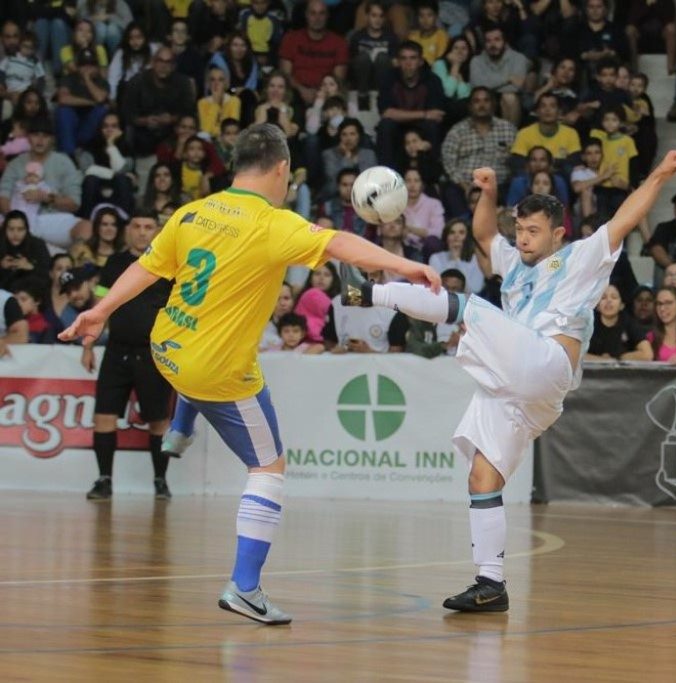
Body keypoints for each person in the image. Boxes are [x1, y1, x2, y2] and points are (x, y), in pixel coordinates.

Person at [59, 123, 440, 625]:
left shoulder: (191, 211)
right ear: (281, 169)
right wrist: (406, 265)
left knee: (229, 352)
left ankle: (180, 427)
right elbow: (342, 244)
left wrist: (101, 310)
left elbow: (148, 269)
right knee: (268, 467)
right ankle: (245, 587)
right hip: (213, 369)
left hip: (167, 346)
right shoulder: (271, 223)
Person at [355, 150, 676, 611]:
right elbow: (483, 233)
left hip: (548, 362)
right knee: (481, 475)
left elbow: (627, 216)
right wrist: (488, 192)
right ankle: (491, 585)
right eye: (521, 230)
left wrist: (661, 173)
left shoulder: (581, 257)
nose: (524, 239)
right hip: (519, 386)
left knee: (469, 307)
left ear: (558, 233)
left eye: (534, 232)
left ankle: (371, 291)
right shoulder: (512, 263)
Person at [82, 210, 175, 501]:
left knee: (159, 421)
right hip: (116, 351)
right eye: (137, 226)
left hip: (154, 354)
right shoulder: (115, 263)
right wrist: (87, 343)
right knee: (103, 417)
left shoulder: (170, 263)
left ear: (158, 230)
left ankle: (160, 481)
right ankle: (104, 479)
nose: (143, 232)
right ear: (128, 231)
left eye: (149, 226)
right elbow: (100, 301)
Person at [0, 119, 89, 250]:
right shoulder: (16, 164)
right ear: (28, 137)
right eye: (36, 135)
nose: (40, 140)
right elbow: (3, 195)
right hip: (17, 220)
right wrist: (15, 222)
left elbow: (74, 203)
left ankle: (71, 263)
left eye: (45, 136)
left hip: (50, 219)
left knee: (86, 227)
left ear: (52, 139)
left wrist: (47, 198)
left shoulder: (64, 162)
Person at [278, 0, 349, 106]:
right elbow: (285, 74)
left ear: (327, 16)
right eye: (313, 13)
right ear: (306, 15)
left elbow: (338, 79)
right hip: (296, 92)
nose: (317, 18)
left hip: (327, 94)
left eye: (321, 13)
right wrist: (302, 90)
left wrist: (320, 93)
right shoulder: (290, 39)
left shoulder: (340, 43)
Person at [626, 285, 676, 373]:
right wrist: (667, 366)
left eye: (668, 303)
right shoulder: (650, 338)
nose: (662, 308)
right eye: (659, 304)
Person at [468, 25, 530, 127]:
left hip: (514, 100)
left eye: (497, 40)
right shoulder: (476, 61)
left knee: (509, 96)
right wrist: (508, 78)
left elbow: (517, 87)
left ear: (505, 43)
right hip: (485, 98)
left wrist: (489, 83)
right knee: (481, 98)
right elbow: (477, 87)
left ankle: (510, 138)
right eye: (488, 41)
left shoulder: (519, 58)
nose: (493, 44)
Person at [585, 283, 645, 360]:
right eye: (603, 297)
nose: (608, 301)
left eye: (614, 297)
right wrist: (603, 360)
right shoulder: (588, 324)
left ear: (621, 305)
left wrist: (617, 360)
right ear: (597, 305)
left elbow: (647, 354)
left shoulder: (629, 323)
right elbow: (576, 354)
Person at [428, 218, 484, 293]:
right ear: (446, 237)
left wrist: (457, 260)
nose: (456, 236)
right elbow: (439, 287)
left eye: (461, 233)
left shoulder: (476, 259)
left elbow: (475, 289)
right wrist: (453, 259)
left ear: (467, 237)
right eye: (452, 232)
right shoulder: (436, 258)